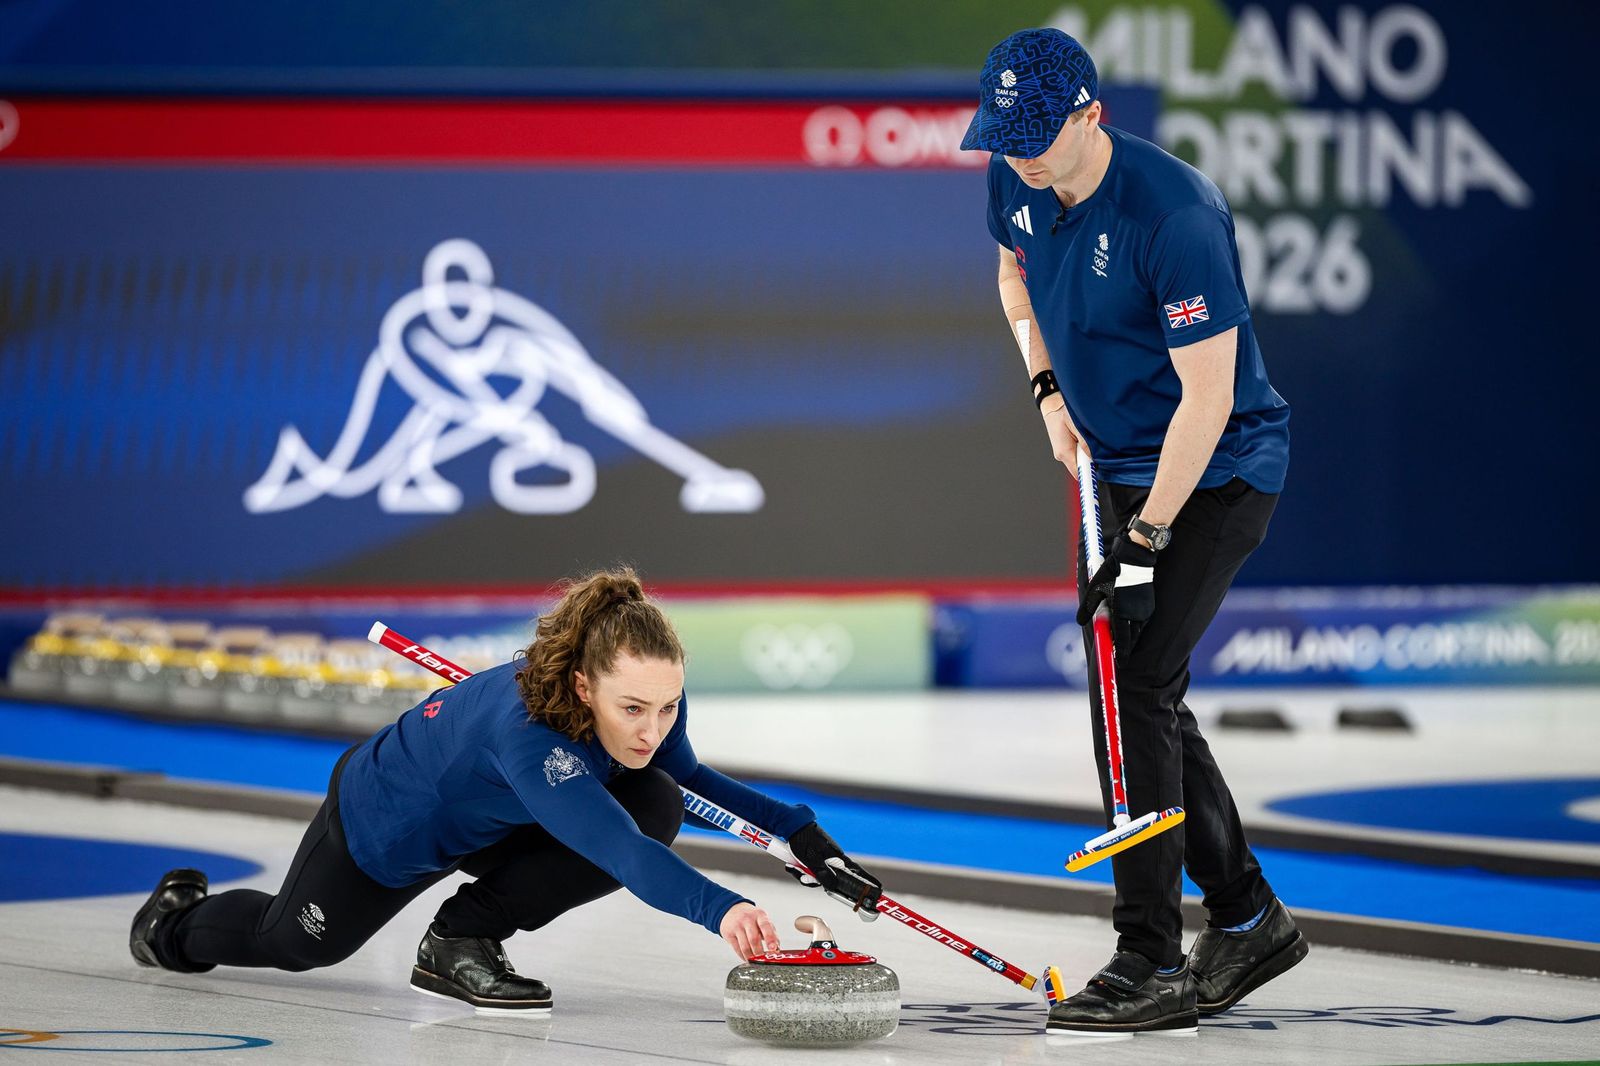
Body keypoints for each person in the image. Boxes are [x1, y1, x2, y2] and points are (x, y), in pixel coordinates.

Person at [960, 28, 1306, 1037]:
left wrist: (1146, 536)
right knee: (1131, 688)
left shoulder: (1174, 214)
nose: (1017, 153)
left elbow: (1206, 400)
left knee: (1137, 682)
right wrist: (1044, 391)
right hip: (1109, 465)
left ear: (1088, 115)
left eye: (1034, 134)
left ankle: (1149, 955)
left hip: (1216, 472)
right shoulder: (1015, 180)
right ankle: (1244, 916)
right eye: (1005, 134)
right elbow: (1011, 277)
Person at [128, 567, 882, 1013]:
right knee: (295, 944)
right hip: (388, 823)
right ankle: (172, 925)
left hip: (495, 817)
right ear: (583, 686)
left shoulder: (643, 700)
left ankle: (459, 938)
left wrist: (803, 838)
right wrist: (726, 910)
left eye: (668, 706)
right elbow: (617, 851)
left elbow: (687, 777)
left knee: (654, 795)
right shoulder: (529, 736)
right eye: (633, 710)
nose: (652, 728)